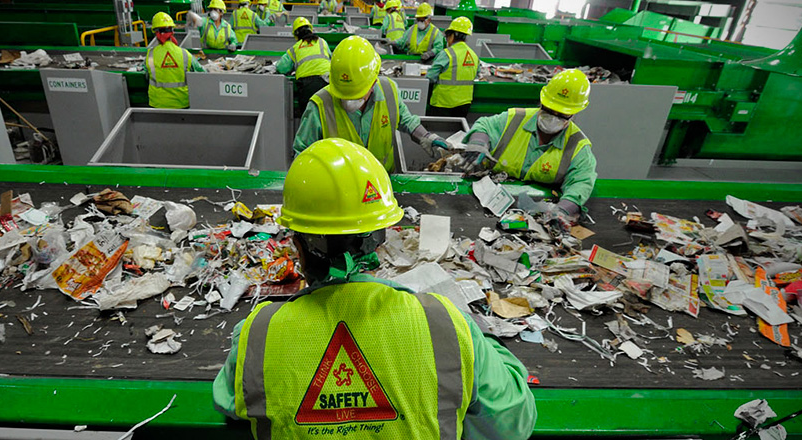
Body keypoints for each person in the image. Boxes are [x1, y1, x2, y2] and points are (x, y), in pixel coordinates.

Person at [212, 137, 538, 440]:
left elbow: (229, 403)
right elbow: (515, 423)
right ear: (380, 241)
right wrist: (484, 344)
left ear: (297, 246)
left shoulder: (257, 336)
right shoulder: (449, 330)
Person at [292, 36, 450, 172]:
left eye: (357, 94)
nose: (349, 100)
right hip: (338, 189)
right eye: (343, 94)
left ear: (373, 82)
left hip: (381, 182)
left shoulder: (389, 92)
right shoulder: (319, 105)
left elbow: (406, 120)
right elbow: (302, 153)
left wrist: (426, 137)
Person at [461, 69, 597, 221]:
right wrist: (478, 142)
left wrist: (562, 211)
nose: (553, 118)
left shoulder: (577, 146)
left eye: (561, 114)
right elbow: (485, 125)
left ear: (573, 113)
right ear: (541, 102)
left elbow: (581, 182)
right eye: (549, 110)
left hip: (539, 211)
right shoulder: (515, 119)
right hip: (488, 200)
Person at [146, 12, 205, 109]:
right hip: (181, 104)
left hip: (157, 104)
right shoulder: (184, 54)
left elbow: (147, 75)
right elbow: (202, 73)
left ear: (156, 33)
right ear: (172, 31)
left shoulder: (150, 55)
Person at [275, 17, 331, 116]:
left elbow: (281, 67)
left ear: (296, 34)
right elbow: (331, 59)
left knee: (309, 120)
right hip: (326, 83)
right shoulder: (322, 42)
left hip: (307, 87)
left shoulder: (295, 48)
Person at [426, 16, 477, 118]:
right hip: (464, 104)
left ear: (452, 35)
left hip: (443, 104)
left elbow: (430, 77)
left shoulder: (446, 54)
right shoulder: (473, 55)